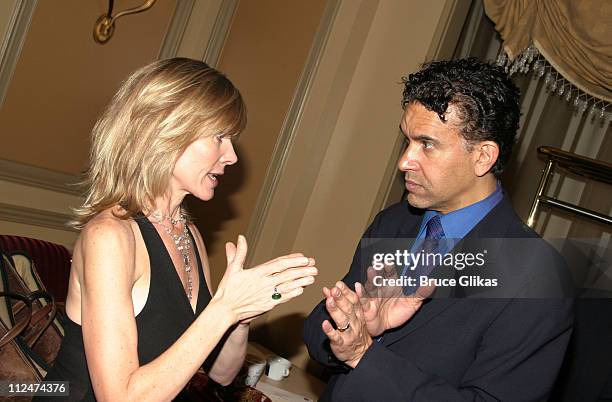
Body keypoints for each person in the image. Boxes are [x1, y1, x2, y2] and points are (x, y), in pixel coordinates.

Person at [38, 58, 318, 401]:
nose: (231, 155)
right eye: (220, 137)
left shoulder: (187, 233)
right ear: (166, 132)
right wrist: (224, 309)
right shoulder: (110, 237)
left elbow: (222, 373)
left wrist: (240, 317)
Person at [303, 58, 573, 401]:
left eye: (426, 144)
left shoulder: (536, 277)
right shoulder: (396, 222)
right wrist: (347, 330)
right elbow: (316, 328)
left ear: (483, 157)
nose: (404, 161)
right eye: (407, 141)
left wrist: (364, 356)